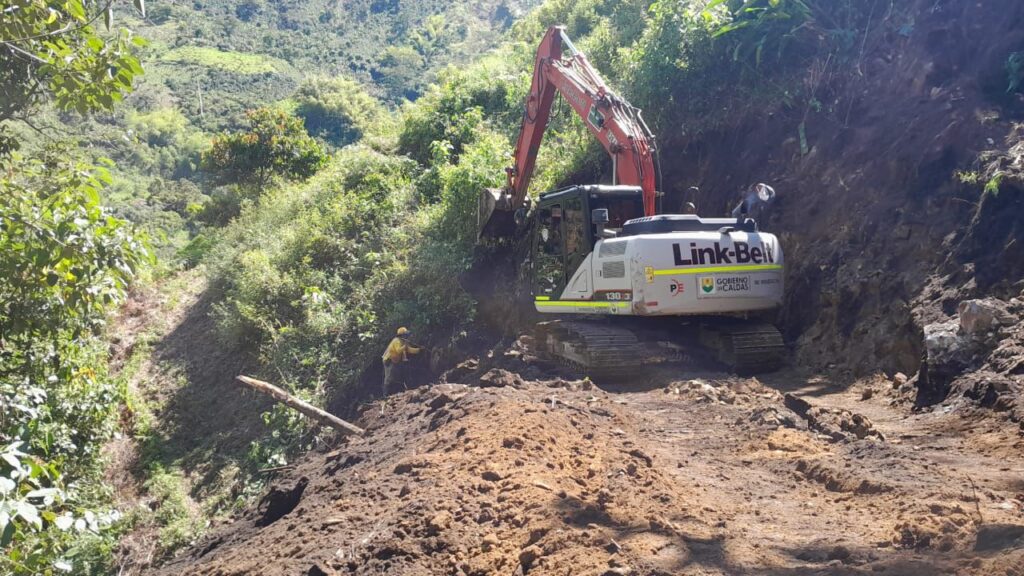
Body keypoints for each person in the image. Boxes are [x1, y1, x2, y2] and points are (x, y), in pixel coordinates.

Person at [381, 327, 421, 396]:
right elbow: (398, 350)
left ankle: (395, 391)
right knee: (389, 377)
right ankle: (386, 393)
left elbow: (409, 349)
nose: (407, 336)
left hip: (395, 360)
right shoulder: (397, 341)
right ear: (402, 335)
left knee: (396, 375)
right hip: (389, 360)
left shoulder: (403, 341)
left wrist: (419, 350)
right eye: (405, 334)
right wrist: (405, 346)